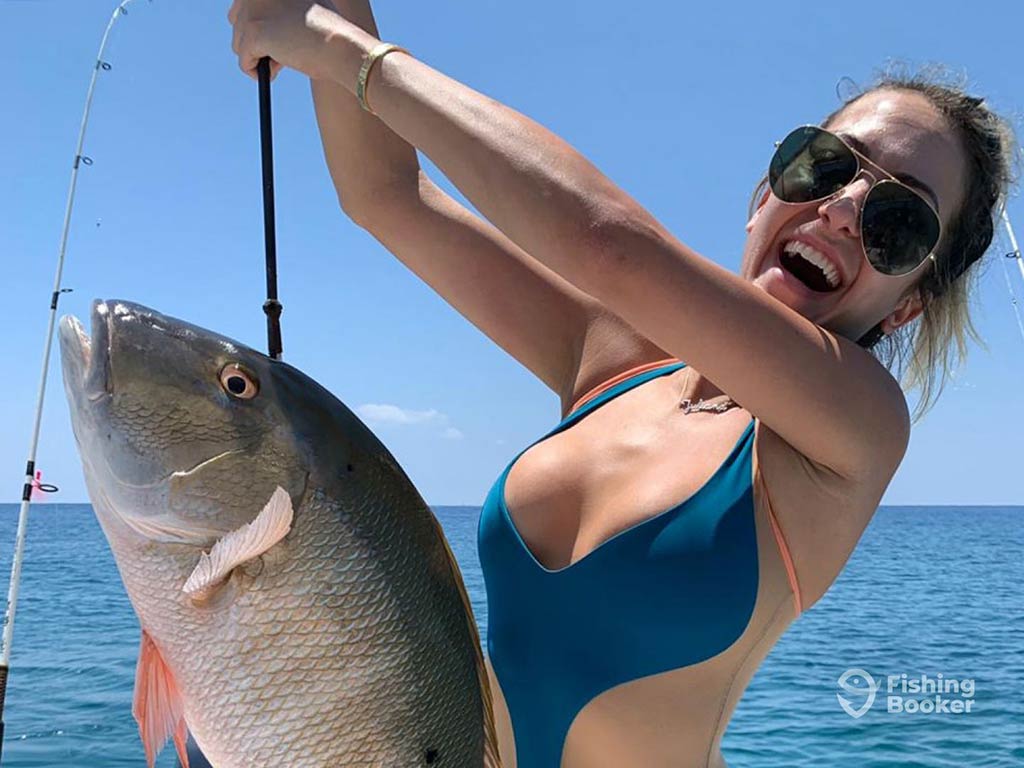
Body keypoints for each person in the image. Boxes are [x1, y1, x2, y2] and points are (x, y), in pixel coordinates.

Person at [228, 2, 1017, 766]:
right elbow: (387, 196)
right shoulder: (619, 360)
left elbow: (607, 244)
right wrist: (337, 8)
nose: (843, 208)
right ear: (763, 194)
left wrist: (335, 50)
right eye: (825, 164)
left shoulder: (858, 429)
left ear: (909, 303)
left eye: (897, 220)